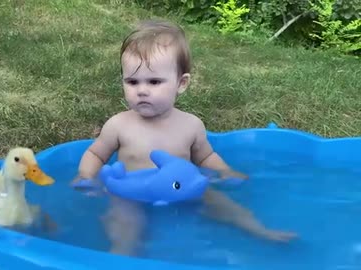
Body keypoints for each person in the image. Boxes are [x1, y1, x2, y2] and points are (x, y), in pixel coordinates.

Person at [72, 19, 297, 256]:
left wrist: (225, 170)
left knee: (222, 203)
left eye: (154, 81)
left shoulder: (190, 125)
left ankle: (259, 230)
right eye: (132, 81)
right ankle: (121, 257)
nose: (142, 90)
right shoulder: (119, 124)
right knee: (125, 226)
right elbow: (96, 153)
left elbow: (205, 156)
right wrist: (86, 175)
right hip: (131, 195)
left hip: (183, 189)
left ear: (181, 83)